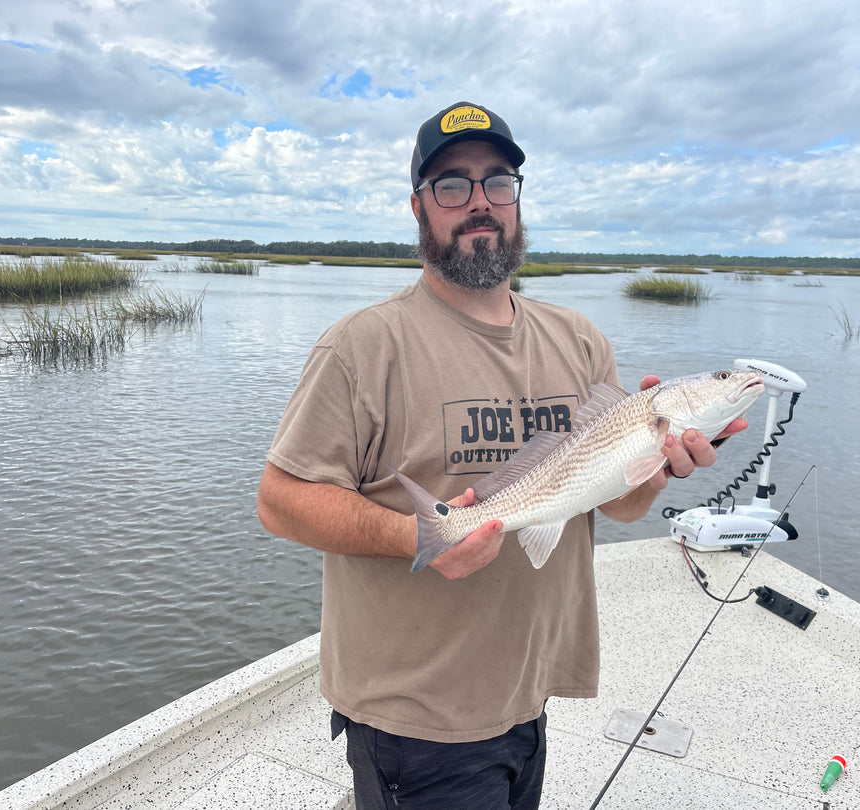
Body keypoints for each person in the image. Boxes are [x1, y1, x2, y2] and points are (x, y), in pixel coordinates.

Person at [257, 101, 745, 809]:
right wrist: (422, 535)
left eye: (498, 182)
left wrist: (663, 466)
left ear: (517, 198)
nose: (479, 203)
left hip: (528, 694)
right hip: (418, 720)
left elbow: (616, 500)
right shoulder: (363, 345)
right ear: (418, 208)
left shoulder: (577, 338)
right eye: (452, 185)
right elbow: (280, 499)